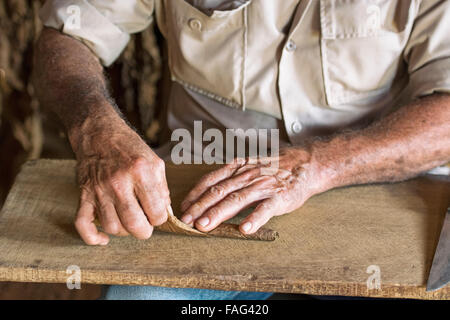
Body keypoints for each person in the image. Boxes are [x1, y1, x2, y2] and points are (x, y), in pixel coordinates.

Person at [34, 0, 450, 300]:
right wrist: (96, 131)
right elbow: (69, 34)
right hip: (200, 183)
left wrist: (319, 165)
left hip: (368, 183)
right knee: (142, 299)